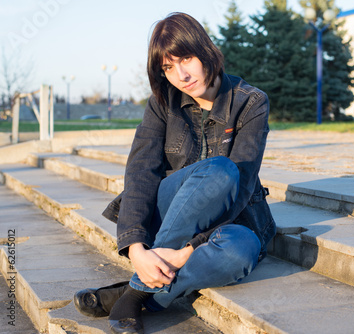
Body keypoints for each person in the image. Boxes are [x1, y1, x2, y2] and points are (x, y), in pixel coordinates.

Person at [73, 12, 276, 334]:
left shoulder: (250, 102)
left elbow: (244, 185)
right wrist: (137, 249)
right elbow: (141, 173)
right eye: (168, 67)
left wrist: (188, 251)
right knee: (217, 170)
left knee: (238, 247)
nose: (180, 74)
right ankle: (142, 285)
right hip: (171, 211)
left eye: (186, 58)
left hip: (232, 218)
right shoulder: (161, 103)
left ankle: (135, 294)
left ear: (206, 51)